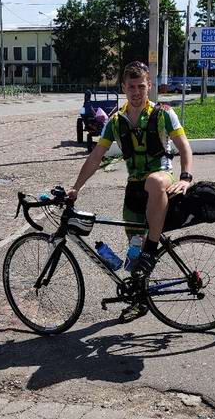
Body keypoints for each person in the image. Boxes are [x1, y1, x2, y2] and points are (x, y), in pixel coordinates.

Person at [68, 61, 194, 321]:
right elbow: (95, 157)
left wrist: (186, 177)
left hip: (162, 176)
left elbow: (184, 147)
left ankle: (152, 247)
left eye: (141, 86)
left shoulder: (163, 113)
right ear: (123, 87)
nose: (136, 92)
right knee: (134, 256)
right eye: (131, 87)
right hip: (133, 189)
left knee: (154, 182)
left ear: (149, 86)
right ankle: (140, 300)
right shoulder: (116, 121)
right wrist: (75, 187)